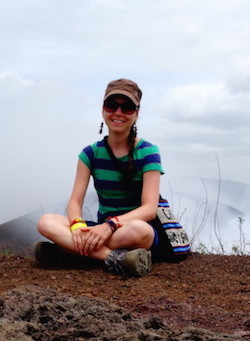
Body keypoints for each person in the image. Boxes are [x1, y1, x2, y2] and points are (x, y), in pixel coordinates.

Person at [35, 78, 164, 277]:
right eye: (112, 105)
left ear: (137, 114)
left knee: (140, 230)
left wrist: (110, 225)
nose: (118, 113)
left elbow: (149, 209)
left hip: (127, 229)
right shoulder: (90, 154)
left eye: (127, 107)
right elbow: (75, 202)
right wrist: (78, 226)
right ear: (103, 109)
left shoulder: (148, 152)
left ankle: (70, 251)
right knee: (46, 221)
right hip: (100, 229)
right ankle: (113, 258)